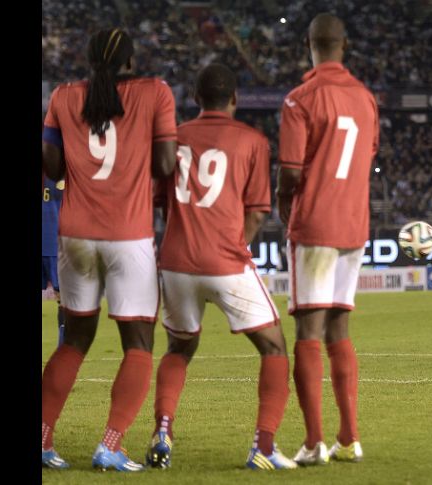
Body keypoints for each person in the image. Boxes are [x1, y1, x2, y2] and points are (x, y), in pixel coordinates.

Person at [145, 63, 297, 471]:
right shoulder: (252, 141)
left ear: (195, 98)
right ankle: (263, 446)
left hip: (175, 262)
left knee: (180, 346)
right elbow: (258, 209)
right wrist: (232, 246)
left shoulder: (174, 138)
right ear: (235, 99)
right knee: (275, 346)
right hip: (226, 261)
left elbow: (159, 199)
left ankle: (162, 430)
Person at [41, 28, 177, 471]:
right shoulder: (155, 93)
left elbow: (52, 164)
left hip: (75, 233)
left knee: (75, 339)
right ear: (132, 63)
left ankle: (42, 439)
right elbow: (164, 164)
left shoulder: (62, 96)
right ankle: (111, 444)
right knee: (137, 342)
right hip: (127, 234)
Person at [276, 12, 379, 465]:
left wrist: (287, 212)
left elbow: (290, 173)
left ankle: (314, 442)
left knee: (308, 331)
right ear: (346, 45)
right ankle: (350, 438)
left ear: (309, 45)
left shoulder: (300, 99)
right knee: (340, 327)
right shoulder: (366, 99)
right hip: (354, 226)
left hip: (315, 225)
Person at [42, 175, 65, 347]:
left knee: (64, 298)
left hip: (55, 243)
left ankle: (63, 349)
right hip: (55, 244)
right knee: (64, 298)